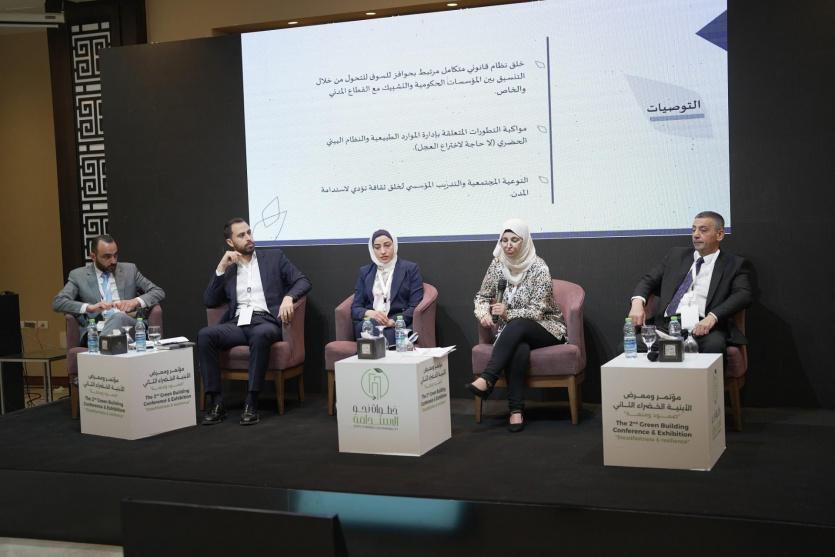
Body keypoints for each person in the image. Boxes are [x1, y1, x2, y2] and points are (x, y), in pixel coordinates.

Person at [198, 218, 312, 426]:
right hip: (237, 323)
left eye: (249, 232)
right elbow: (210, 300)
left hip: (265, 321)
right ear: (230, 242)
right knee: (205, 335)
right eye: (241, 235)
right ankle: (216, 402)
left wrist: (289, 297)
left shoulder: (274, 257)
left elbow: (302, 281)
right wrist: (221, 268)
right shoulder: (229, 268)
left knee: (260, 335)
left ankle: (251, 402)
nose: (249, 238)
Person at [466, 219, 567, 432]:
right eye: (504, 240)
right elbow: (482, 296)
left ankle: (488, 378)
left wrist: (507, 313)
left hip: (546, 327)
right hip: (512, 332)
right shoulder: (497, 265)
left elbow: (537, 311)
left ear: (525, 241)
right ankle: (516, 411)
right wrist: (483, 313)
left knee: (518, 324)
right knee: (519, 347)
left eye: (514, 240)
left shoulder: (539, 267)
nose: (508, 245)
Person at [629, 211, 753, 353]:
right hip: (668, 326)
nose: (696, 235)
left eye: (703, 230)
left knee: (714, 346)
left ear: (719, 234)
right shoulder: (676, 256)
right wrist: (637, 303)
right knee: (629, 346)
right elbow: (648, 280)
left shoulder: (733, 264)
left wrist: (712, 317)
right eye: (693, 230)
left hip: (704, 328)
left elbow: (743, 295)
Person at [53, 234, 165, 339]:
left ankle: (102, 348)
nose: (113, 261)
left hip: (128, 327)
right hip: (96, 330)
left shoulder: (130, 270)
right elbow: (58, 302)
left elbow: (158, 291)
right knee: (111, 324)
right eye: (107, 257)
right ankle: (105, 345)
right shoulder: (78, 276)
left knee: (118, 317)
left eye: (115, 255)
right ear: (93, 256)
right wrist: (90, 308)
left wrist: (135, 302)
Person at [351, 230, 424, 346]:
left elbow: (415, 306)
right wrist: (370, 313)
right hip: (372, 324)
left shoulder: (410, 269)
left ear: (394, 245)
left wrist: (393, 321)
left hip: (398, 324)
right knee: (368, 330)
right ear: (372, 250)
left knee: (390, 335)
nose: (383, 251)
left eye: (387, 245)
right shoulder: (365, 272)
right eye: (377, 247)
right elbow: (355, 308)